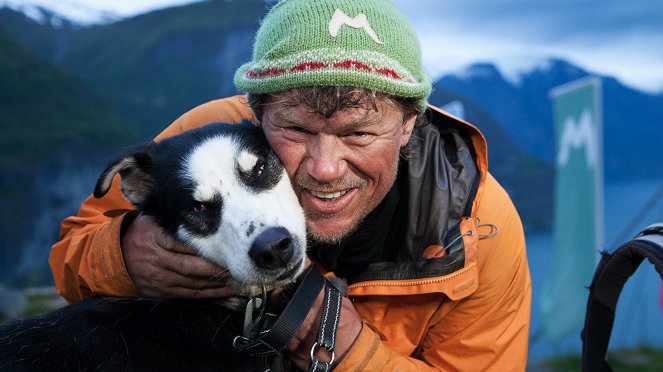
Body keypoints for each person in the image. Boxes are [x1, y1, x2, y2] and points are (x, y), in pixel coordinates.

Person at [49, 0, 531, 370]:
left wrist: (353, 355)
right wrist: (124, 256)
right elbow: (72, 255)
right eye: (296, 130)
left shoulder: (478, 225)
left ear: (410, 124)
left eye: (359, 132)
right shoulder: (211, 139)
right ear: (255, 114)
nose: (325, 168)